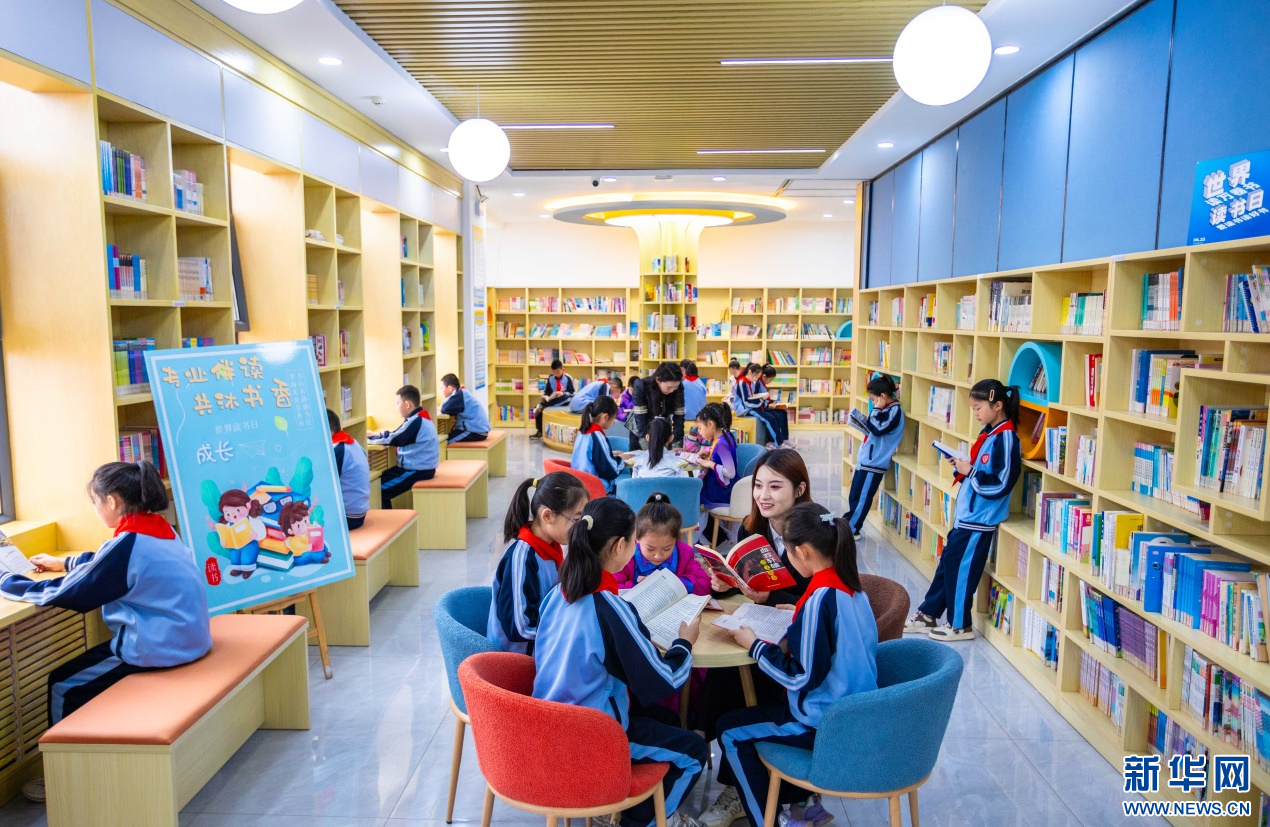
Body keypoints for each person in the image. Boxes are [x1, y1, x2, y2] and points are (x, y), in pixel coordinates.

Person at [0, 461, 212, 804]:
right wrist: (66, 562)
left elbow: (69, 593)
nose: (96, 510)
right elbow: (108, 562)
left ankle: (64, 780)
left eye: (95, 502)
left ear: (112, 501)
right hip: (190, 636)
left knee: (63, 684)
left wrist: (7, 580)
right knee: (85, 671)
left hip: (159, 647)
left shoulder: (128, 543)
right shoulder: (159, 528)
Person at [533, 497, 709, 827]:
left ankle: (629, 806)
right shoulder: (610, 607)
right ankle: (642, 821)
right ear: (619, 546)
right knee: (694, 752)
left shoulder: (557, 592)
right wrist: (684, 642)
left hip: (547, 725)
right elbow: (665, 681)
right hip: (592, 737)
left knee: (666, 719)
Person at [702, 503, 879, 827]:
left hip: (823, 722)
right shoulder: (851, 588)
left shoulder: (818, 601)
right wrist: (798, 614)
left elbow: (801, 678)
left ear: (803, 552)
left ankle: (765, 821)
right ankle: (793, 804)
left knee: (729, 730)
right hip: (857, 711)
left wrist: (754, 645)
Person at [906, 379, 1022, 641]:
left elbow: (1002, 484)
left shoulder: (1006, 438)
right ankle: (928, 613)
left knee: (961, 572)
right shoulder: (989, 434)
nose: (975, 413)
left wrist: (970, 471)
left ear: (998, 405)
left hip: (979, 520)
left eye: (978, 408)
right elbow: (982, 472)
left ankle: (960, 625)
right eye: (973, 408)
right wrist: (964, 467)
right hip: (967, 517)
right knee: (948, 565)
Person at [488, 472, 588, 653]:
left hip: (544, 646)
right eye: (576, 519)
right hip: (519, 657)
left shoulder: (552, 548)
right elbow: (520, 628)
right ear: (548, 516)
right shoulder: (522, 558)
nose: (580, 527)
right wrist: (566, 633)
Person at [844, 375, 905, 541]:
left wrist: (876, 410)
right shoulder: (885, 408)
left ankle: (853, 529)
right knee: (855, 494)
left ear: (882, 396)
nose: (872, 403)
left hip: (874, 462)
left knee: (863, 498)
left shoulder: (895, 410)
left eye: (873, 399)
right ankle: (847, 522)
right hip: (866, 459)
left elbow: (878, 429)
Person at [616, 493, 710, 593]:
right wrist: (640, 586)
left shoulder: (684, 553)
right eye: (650, 549)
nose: (658, 556)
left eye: (667, 549)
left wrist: (674, 583)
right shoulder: (627, 556)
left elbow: (705, 584)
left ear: (675, 540)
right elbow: (612, 586)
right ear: (637, 538)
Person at [369, 385, 439, 508]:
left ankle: (387, 520)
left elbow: (394, 439)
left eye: (397, 403)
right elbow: (398, 433)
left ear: (407, 404)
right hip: (421, 467)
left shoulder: (416, 421)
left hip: (417, 470)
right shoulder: (418, 418)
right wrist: (378, 434)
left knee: (377, 489)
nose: (396, 407)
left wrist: (368, 439)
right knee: (379, 481)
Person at [696, 403, 739, 541]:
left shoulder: (720, 444)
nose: (700, 433)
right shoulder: (726, 436)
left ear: (710, 425)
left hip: (722, 492)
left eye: (700, 428)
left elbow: (730, 472)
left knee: (695, 497)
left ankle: (697, 538)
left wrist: (709, 463)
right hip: (727, 488)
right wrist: (709, 455)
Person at [571, 395, 625, 492]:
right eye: (614, 418)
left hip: (579, 485)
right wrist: (622, 459)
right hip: (594, 488)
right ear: (605, 417)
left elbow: (589, 456)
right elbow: (612, 470)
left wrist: (610, 453)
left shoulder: (582, 432)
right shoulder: (597, 436)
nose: (614, 422)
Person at [328, 408, 369, 531]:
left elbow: (323, 483)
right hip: (358, 512)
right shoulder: (353, 443)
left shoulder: (338, 450)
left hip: (348, 517)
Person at [628, 361, 685, 451]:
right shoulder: (641, 386)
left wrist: (676, 443)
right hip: (640, 426)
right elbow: (640, 417)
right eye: (668, 387)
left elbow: (679, 418)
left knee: (665, 454)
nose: (672, 391)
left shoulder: (679, 388)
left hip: (662, 425)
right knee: (639, 455)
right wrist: (646, 445)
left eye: (675, 387)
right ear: (658, 379)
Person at [735, 363, 789, 449]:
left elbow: (752, 397)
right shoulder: (742, 383)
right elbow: (746, 402)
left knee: (773, 417)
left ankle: (779, 441)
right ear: (750, 372)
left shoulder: (750, 382)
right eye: (756, 376)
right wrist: (762, 400)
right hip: (746, 409)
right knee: (770, 419)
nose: (757, 379)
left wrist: (761, 400)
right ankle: (777, 443)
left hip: (753, 406)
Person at [530, 360, 575, 440]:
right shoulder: (551, 378)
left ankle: (545, 405)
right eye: (554, 372)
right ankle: (540, 431)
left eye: (558, 372)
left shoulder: (568, 378)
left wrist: (562, 393)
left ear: (562, 369)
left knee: (564, 398)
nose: (556, 374)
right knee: (539, 408)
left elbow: (572, 393)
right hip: (553, 399)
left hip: (564, 399)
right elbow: (547, 392)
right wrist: (545, 397)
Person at [439, 373, 490, 443]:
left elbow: (444, 409)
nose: (441, 391)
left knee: (445, 441)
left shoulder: (459, 395)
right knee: (448, 437)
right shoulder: (462, 392)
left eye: (442, 388)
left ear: (449, 388)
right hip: (478, 428)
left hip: (476, 431)